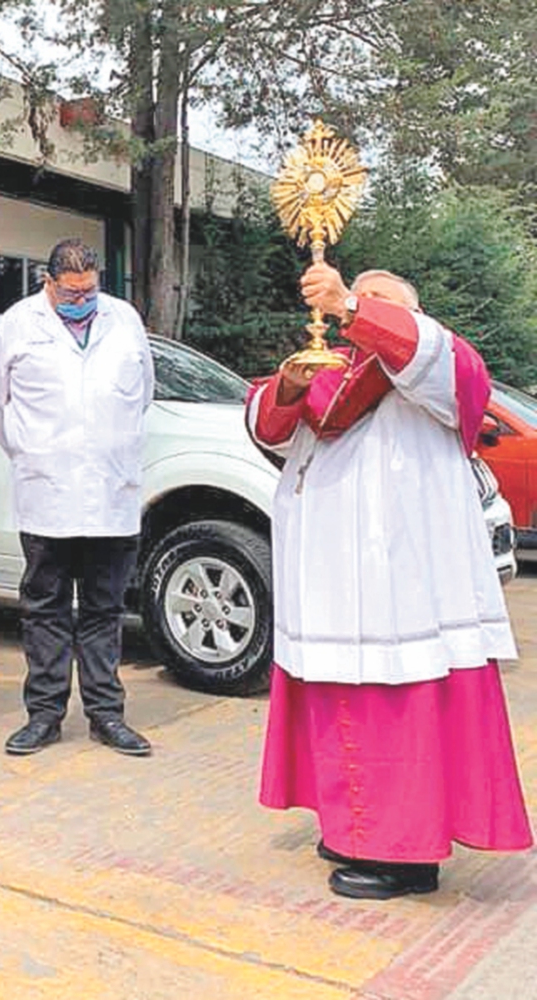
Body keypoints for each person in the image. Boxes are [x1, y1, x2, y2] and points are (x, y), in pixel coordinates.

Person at [248, 261, 532, 900]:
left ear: (412, 314)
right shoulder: (336, 371)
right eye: (356, 302)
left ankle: (404, 856)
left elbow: (428, 351)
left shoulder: (443, 366)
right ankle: (353, 830)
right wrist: (290, 387)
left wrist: (350, 303)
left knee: (396, 717)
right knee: (336, 708)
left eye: (380, 304)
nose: (358, 312)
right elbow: (267, 428)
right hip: (327, 580)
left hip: (399, 581)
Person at [0, 238, 155, 758]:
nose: (82, 300)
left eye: (90, 290)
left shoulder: (124, 320)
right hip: (46, 494)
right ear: (47, 283)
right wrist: (32, 453)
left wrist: (109, 447)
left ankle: (106, 715)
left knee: (104, 610)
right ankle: (45, 715)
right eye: (71, 293)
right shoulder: (17, 324)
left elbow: (143, 392)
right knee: (45, 609)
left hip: (111, 494)